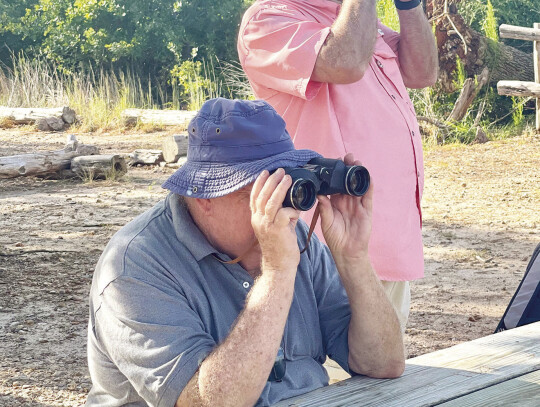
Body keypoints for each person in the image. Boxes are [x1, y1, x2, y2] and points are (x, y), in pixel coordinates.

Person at [86, 98, 405, 407]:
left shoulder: (293, 238)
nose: (280, 212)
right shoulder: (135, 268)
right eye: (262, 195)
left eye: (285, 191)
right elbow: (208, 403)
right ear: (204, 198)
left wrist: (354, 258)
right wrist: (276, 274)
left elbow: (383, 364)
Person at [237, 0, 439, 330]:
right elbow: (346, 62)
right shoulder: (266, 21)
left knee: (385, 375)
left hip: (388, 245)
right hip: (326, 254)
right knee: (332, 380)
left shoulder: (360, 21)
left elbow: (424, 72)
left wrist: (410, 5)